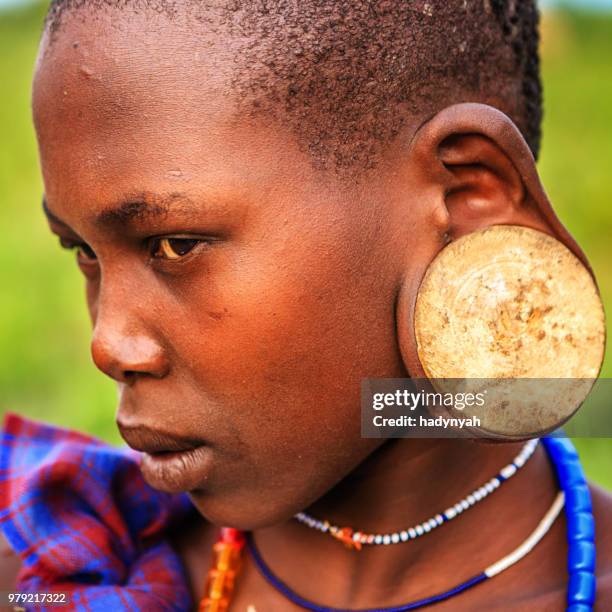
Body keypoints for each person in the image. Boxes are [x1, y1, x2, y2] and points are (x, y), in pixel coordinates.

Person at [1, 1, 611, 610]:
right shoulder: (47, 562)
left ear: (463, 205)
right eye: (82, 250)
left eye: (174, 245)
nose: (107, 344)